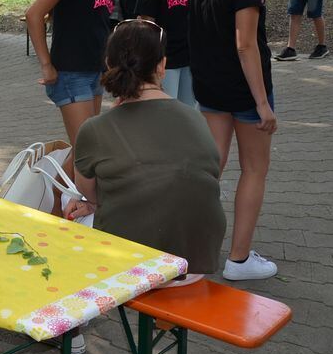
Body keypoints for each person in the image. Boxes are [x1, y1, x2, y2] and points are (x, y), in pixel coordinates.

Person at [66, 19, 225, 283]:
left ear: (108, 64)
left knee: (76, 215)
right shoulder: (196, 118)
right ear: (162, 66)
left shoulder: (94, 129)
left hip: (131, 267)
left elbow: (89, 192)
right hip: (195, 263)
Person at [189, 0, 277, 281]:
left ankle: (189, 250)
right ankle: (239, 260)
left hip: (211, 89)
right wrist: (262, 103)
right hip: (244, 92)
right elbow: (246, 46)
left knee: (212, 169)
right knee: (254, 169)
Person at [25, 0, 117, 194]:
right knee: (87, 152)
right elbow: (33, 14)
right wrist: (46, 64)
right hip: (71, 72)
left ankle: (47, 198)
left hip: (94, 71)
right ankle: (52, 201)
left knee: (86, 150)